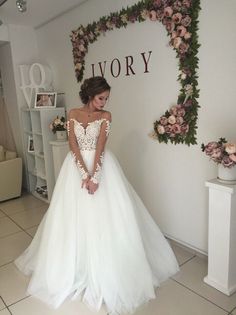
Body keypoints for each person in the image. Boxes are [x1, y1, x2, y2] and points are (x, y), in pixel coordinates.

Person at [15, 76, 179, 315]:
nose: (104, 102)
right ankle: (75, 267)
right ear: (90, 94)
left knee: (107, 220)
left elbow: (100, 149)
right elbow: (73, 145)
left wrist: (95, 178)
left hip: (102, 169)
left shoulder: (106, 117)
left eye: (107, 98)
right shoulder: (72, 114)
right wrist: (84, 175)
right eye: (101, 98)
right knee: (72, 220)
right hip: (76, 169)